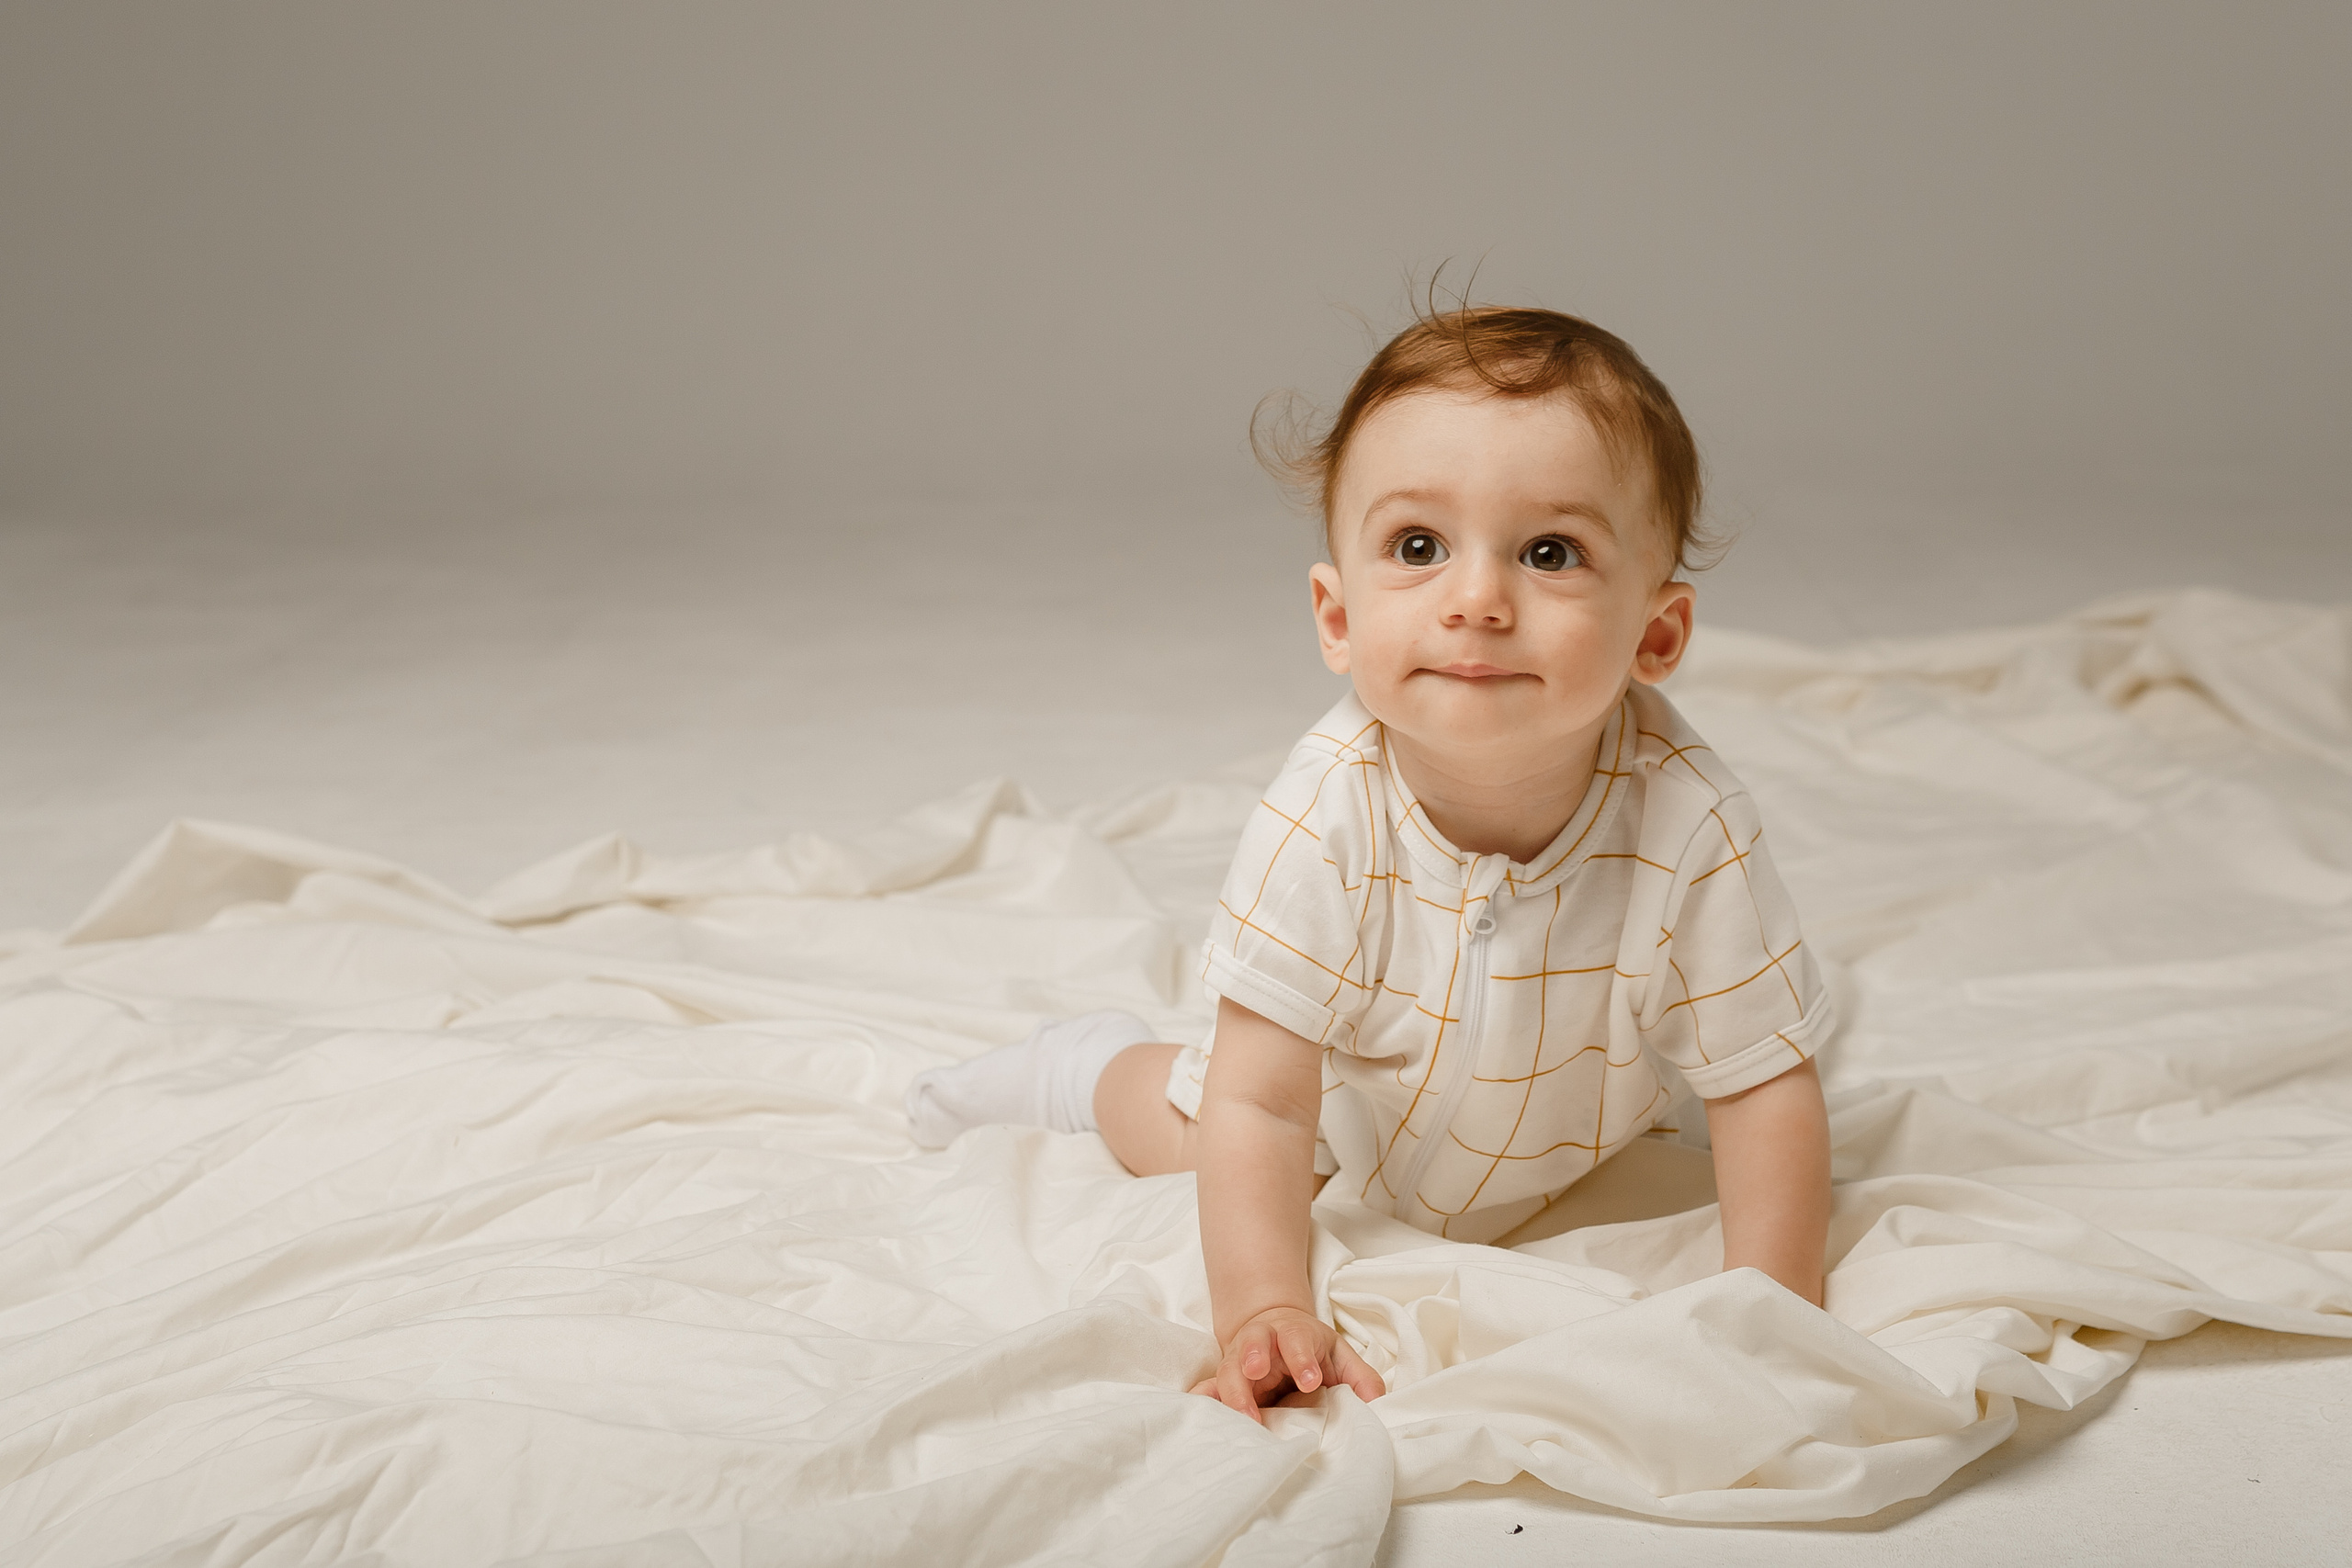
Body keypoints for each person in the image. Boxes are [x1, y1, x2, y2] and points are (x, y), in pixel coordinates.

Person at [907, 305, 1835, 1423]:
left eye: (1549, 553)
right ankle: (1078, 1066)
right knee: (1187, 1128)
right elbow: (1259, 1101)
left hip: (1566, 1130)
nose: (1476, 600)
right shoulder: (1326, 812)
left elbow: (1761, 1083)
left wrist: (1774, 1312)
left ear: (1656, 635)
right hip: (1334, 1123)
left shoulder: (1690, 823)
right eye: (1418, 548)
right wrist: (1262, 1309)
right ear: (1336, 617)